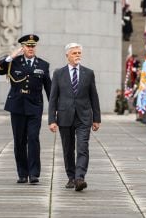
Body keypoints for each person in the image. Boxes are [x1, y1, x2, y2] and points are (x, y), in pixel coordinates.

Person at [0, 34, 51, 184]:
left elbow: (49, 88)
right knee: (19, 141)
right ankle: (22, 173)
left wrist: (54, 108)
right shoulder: (13, 62)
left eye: (33, 46)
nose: (31, 48)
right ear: (22, 47)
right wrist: (9, 57)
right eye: (27, 46)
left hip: (35, 107)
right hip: (17, 106)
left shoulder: (43, 65)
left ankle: (34, 173)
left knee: (33, 139)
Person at [48, 43, 101, 191]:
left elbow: (94, 97)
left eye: (79, 53)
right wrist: (52, 120)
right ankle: (71, 177)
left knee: (83, 147)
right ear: (67, 56)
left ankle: (79, 178)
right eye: (74, 53)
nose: (78, 55)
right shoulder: (58, 74)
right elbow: (53, 98)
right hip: (65, 116)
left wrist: (97, 119)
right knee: (68, 148)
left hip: (84, 117)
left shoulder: (88, 73)